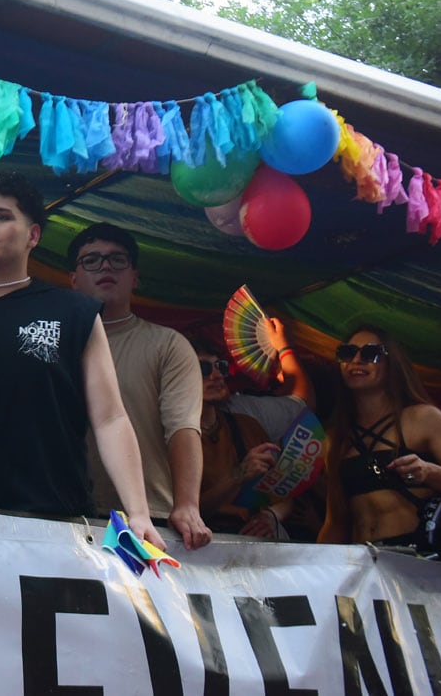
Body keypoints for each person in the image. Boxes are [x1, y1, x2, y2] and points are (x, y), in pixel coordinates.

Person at [0, 172, 164, 549]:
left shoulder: (75, 310)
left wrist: (138, 513)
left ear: (33, 235)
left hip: (60, 524)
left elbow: (110, 417)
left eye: (1, 216)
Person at [68, 223, 211, 550]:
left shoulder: (168, 345)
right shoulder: (56, 344)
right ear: (73, 279)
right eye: (91, 260)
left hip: (150, 518)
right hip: (71, 514)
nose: (105, 266)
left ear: (135, 276)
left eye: (117, 259)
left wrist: (187, 504)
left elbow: (183, 428)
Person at [318, 326, 441, 548]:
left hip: (418, 560)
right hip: (364, 563)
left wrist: (431, 473)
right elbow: (335, 522)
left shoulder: (423, 418)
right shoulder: (335, 438)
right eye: (347, 353)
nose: (356, 360)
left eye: (370, 353)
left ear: (391, 363)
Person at [196, 345, 290, 537]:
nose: (216, 376)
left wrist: (270, 517)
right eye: (203, 369)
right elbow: (178, 511)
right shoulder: (168, 436)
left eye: (221, 367)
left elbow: (284, 494)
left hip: (254, 542)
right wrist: (238, 475)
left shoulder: (247, 426)